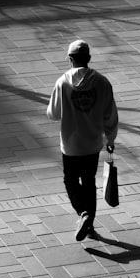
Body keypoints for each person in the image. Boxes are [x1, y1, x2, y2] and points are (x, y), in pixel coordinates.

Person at [46, 39, 119, 241]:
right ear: (88, 58)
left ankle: (82, 213)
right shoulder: (102, 82)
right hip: (92, 143)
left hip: (70, 144)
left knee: (70, 179)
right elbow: (110, 114)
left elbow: (52, 113)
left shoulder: (62, 83)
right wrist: (110, 138)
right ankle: (90, 223)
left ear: (70, 59)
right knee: (89, 182)